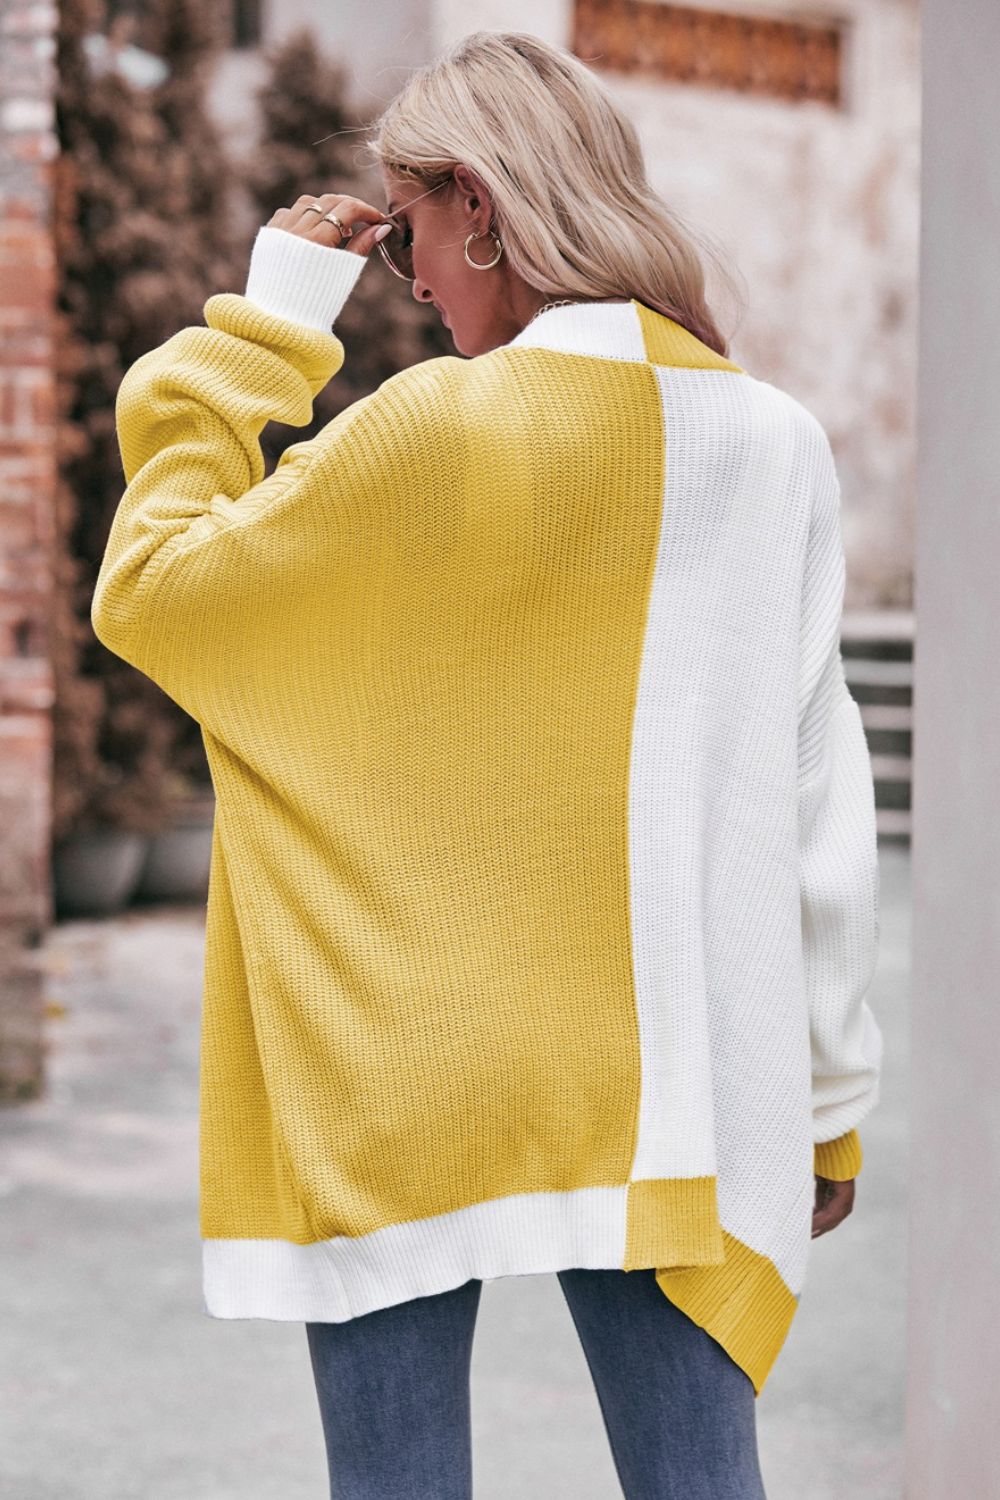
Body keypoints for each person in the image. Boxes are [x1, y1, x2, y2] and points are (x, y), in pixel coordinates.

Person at [91, 28, 883, 1500]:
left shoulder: (424, 435)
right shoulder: (768, 442)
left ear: (482, 205)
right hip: (668, 1086)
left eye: (408, 238)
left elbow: (155, 589)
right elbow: (817, 796)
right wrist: (830, 1096)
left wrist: (268, 325)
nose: (412, 285)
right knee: (700, 1481)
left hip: (402, 1067)